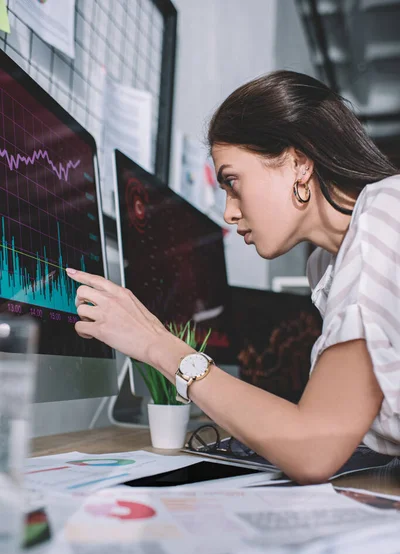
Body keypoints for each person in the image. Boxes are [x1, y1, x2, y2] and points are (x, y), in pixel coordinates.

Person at [66, 70, 400, 484]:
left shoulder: (382, 217)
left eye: (233, 182)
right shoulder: (329, 261)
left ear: (298, 164)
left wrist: (157, 346)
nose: (229, 212)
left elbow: (313, 448)